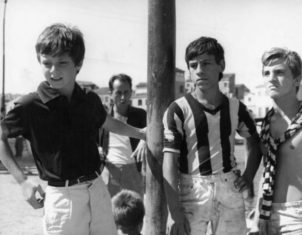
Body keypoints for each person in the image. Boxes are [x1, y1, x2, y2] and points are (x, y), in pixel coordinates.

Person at [0, 23, 145, 235]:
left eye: (62, 63)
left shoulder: (89, 99)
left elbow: (106, 122)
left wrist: (140, 133)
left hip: (97, 190)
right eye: (46, 63)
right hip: (62, 196)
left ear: (78, 64)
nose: (53, 70)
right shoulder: (30, 105)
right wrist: (22, 182)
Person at [162, 36, 262, 235]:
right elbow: (170, 161)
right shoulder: (178, 109)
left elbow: (254, 142)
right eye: (193, 65)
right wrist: (174, 211)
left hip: (228, 186)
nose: (199, 70)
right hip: (193, 188)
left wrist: (249, 175)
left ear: (221, 65)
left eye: (206, 63)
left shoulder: (235, 107)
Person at [256, 47, 302, 234]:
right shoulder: (266, 125)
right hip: (268, 214)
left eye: (279, 72)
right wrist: (259, 214)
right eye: (266, 73)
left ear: (297, 80)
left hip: (298, 216)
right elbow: (267, 170)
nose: (271, 78)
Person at [99, 74, 147, 198]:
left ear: (132, 92)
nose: (123, 97)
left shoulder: (140, 115)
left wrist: (144, 139)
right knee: (110, 214)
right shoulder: (103, 117)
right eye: (118, 93)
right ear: (110, 93)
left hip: (133, 171)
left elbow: (154, 127)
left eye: (126, 92)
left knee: (135, 213)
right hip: (109, 170)